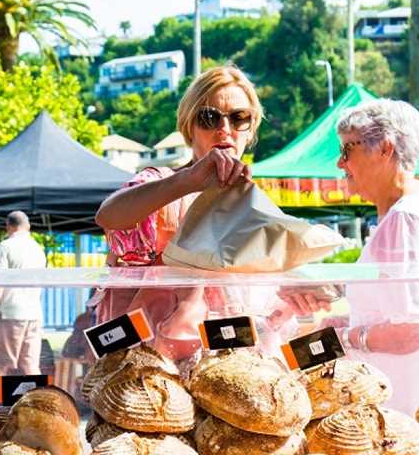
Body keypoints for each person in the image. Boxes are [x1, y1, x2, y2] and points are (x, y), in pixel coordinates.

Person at [281, 99, 419, 416]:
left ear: (384, 149)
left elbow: (414, 330)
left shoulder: (405, 219)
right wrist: (342, 319)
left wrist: (343, 337)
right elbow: (410, 307)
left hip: (406, 400)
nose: (340, 164)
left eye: (347, 150)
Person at [94, 64, 291, 359]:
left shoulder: (256, 204)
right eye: (209, 117)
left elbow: (266, 302)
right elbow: (108, 215)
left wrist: (296, 296)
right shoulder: (161, 182)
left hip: (228, 363)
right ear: (189, 126)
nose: (225, 129)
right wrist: (188, 180)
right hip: (150, 364)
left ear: (250, 131)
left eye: (239, 118)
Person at [0, 210, 47, 378]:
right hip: (34, 312)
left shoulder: (5, 246)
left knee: (0, 366)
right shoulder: (37, 249)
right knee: (30, 365)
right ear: (28, 226)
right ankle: (42, 403)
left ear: (8, 227)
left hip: (9, 312)